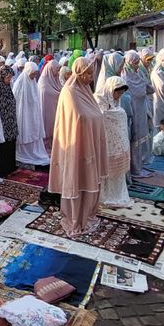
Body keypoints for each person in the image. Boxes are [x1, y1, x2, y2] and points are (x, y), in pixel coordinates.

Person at [49, 57, 109, 237]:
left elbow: (94, 114)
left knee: (89, 180)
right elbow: (78, 117)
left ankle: (87, 215)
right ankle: (75, 219)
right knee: (76, 178)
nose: (91, 77)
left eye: (92, 73)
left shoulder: (86, 91)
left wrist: (95, 118)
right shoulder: (69, 91)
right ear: (79, 72)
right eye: (88, 73)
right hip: (76, 146)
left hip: (89, 143)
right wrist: (94, 118)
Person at [95, 76, 132, 208]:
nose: (118, 96)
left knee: (115, 171)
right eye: (118, 93)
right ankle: (104, 196)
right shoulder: (98, 100)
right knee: (105, 170)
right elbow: (100, 117)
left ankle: (116, 194)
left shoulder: (117, 104)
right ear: (110, 89)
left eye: (121, 93)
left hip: (116, 145)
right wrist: (115, 114)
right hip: (103, 143)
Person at [121, 51, 154, 177]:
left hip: (141, 109)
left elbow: (147, 87)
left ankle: (139, 166)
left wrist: (145, 89)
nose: (136, 65)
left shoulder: (138, 72)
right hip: (132, 110)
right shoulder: (125, 76)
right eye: (134, 63)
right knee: (133, 138)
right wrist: (144, 89)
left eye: (137, 62)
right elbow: (136, 91)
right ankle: (134, 168)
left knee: (140, 138)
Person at [13, 62, 50, 166]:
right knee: (26, 131)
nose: (34, 76)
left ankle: (34, 152)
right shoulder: (20, 82)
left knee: (34, 131)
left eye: (35, 74)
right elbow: (17, 100)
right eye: (32, 74)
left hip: (32, 113)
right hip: (23, 114)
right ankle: (24, 153)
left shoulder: (33, 82)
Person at [0, 66, 19, 178]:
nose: (9, 80)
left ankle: (10, 166)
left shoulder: (8, 87)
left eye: (11, 78)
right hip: (1, 123)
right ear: (1, 77)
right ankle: (2, 168)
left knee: (11, 144)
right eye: (8, 78)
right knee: (3, 146)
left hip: (10, 121)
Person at [38, 59, 63, 152]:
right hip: (47, 111)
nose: (57, 72)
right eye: (56, 70)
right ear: (51, 70)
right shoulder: (43, 83)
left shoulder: (54, 79)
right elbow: (49, 93)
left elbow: (59, 88)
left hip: (55, 110)